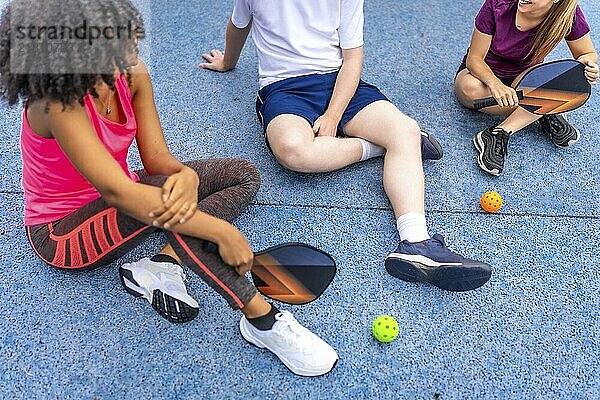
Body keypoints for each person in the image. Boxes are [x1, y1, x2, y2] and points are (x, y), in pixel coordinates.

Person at [0, 0, 338, 377]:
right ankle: (261, 319)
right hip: (62, 233)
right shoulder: (57, 104)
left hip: (129, 192)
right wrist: (219, 230)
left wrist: (187, 176)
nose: (131, 43)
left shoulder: (131, 73)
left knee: (241, 174)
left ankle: (163, 263)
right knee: (176, 208)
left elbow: (159, 161)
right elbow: (119, 194)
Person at [201, 0, 492, 292]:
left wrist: (332, 116)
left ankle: (416, 242)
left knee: (405, 129)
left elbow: (352, 60)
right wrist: (228, 61)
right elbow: (239, 24)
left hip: (338, 81)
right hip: (283, 88)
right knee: (294, 152)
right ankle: (376, 147)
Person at [454, 0, 598, 176]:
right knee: (469, 89)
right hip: (483, 75)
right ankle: (543, 110)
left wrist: (588, 65)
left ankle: (498, 132)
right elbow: (474, 59)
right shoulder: (497, 4)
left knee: (549, 89)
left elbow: (586, 54)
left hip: (526, 77)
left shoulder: (568, 14)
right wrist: (495, 84)